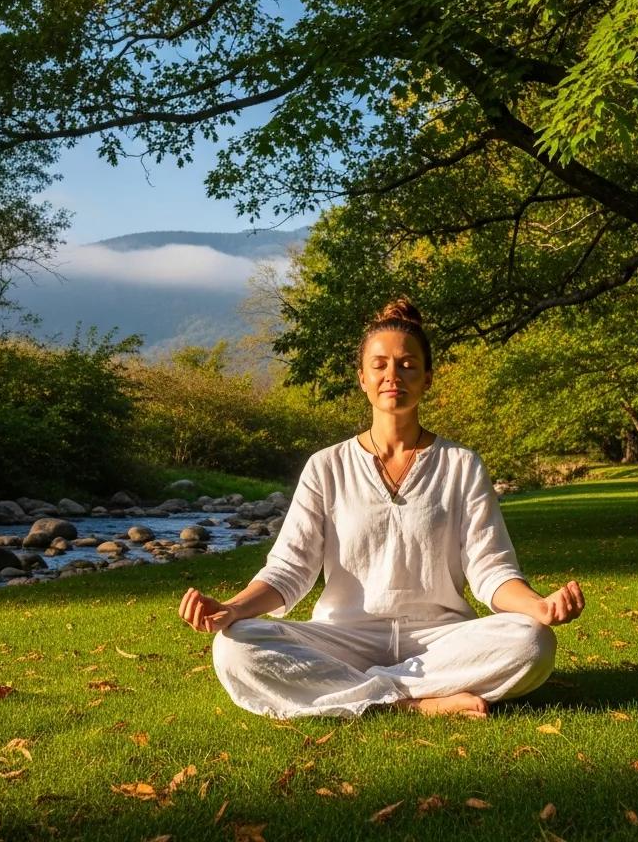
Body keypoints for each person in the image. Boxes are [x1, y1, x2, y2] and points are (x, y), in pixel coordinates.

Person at [178, 298, 585, 719]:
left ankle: (357, 693)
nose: (394, 375)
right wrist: (233, 608)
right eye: (380, 365)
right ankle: (414, 703)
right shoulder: (326, 466)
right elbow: (289, 569)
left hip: (441, 640)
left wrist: (536, 606)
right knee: (234, 645)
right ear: (362, 378)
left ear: (427, 378)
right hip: (342, 638)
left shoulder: (461, 464)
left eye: (408, 365)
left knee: (532, 641)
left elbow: (490, 569)